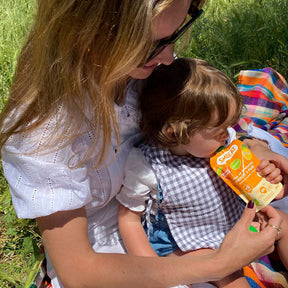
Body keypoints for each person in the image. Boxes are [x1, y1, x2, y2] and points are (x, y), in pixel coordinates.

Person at [0, 0, 284, 287]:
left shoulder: (139, 73)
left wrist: (256, 148)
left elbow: (204, 122)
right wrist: (219, 263)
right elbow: (79, 271)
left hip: (185, 208)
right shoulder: (43, 132)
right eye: (150, 43)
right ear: (88, 31)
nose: (169, 57)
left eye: (175, 33)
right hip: (117, 258)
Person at [117, 58, 288, 287]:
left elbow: (247, 175)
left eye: (230, 126)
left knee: (283, 223)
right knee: (232, 280)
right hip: (190, 244)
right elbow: (128, 219)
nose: (227, 135)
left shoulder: (219, 144)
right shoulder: (147, 165)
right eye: (219, 131)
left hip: (229, 222)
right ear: (175, 133)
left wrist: (265, 174)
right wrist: (151, 268)